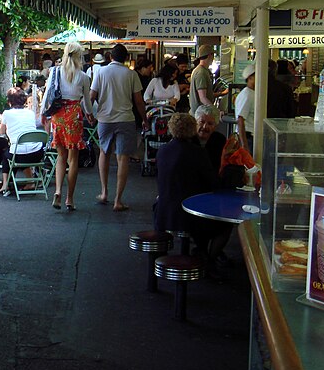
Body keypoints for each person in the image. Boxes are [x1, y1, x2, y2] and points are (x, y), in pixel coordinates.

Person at [154, 113, 225, 272]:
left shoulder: (163, 151)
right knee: (224, 226)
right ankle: (207, 258)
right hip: (190, 215)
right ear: (193, 129)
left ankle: (197, 253)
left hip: (163, 212)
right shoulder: (198, 153)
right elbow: (213, 183)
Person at [90, 43, 148, 212]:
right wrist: (144, 119)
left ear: (110, 57)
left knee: (104, 153)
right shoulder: (131, 74)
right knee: (123, 158)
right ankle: (118, 200)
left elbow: (92, 96)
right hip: (126, 119)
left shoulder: (101, 72)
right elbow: (139, 101)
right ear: (126, 58)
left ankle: (104, 192)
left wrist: (88, 114)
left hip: (105, 119)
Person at [42, 41, 94, 212]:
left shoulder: (55, 72)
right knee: (73, 160)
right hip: (74, 115)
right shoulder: (84, 76)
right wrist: (90, 115)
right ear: (80, 57)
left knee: (60, 157)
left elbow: (47, 94)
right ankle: (69, 198)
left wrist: (44, 113)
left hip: (59, 115)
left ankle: (57, 191)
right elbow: (86, 102)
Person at [0, 87, 43, 195]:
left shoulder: (7, 113)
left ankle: (5, 184)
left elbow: (1, 131)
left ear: (9, 101)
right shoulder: (30, 113)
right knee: (24, 149)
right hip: (37, 153)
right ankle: (31, 181)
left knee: (6, 154)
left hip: (19, 154)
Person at [195, 104, 227, 170]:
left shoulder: (220, 140)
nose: (205, 126)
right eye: (202, 122)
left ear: (215, 126)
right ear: (195, 122)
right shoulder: (187, 138)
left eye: (210, 123)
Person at [188, 45, 215, 115]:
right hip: (200, 115)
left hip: (198, 114)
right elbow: (203, 98)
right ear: (210, 56)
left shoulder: (198, 70)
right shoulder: (201, 72)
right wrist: (215, 111)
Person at [235, 64, 256, 153]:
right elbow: (240, 119)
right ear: (250, 78)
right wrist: (244, 144)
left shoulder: (252, 93)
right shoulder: (247, 95)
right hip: (248, 137)